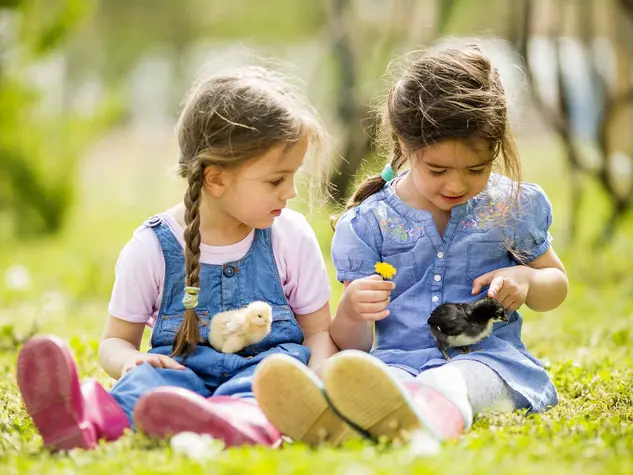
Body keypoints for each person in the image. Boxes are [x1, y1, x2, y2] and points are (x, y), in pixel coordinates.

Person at [253, 46, 568, 445]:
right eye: (437, 170)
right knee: (363, 378)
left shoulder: (511, 207)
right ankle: (341, 418)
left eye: (477, 169)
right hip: (397, 366)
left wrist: (526, 278)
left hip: (489, 364)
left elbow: (555, 284)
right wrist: (351, 312)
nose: (456, 185)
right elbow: (357, 342)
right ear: (404, 145)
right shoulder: (371, 222)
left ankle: (419, 421)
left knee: (452, 381)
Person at [16, 65, 339, 451]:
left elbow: (318, 331)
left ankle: (231, 421)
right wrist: (130, 364)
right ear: (216, 179)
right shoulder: (152, 247)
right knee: (143, 387)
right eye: (276, 180)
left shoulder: (291, 236)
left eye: (292, 177)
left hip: (262, 376)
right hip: (177, 375)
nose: (290, 192)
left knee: (272, 385)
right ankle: (81, 417)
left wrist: (317, 379)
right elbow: (115, 342)